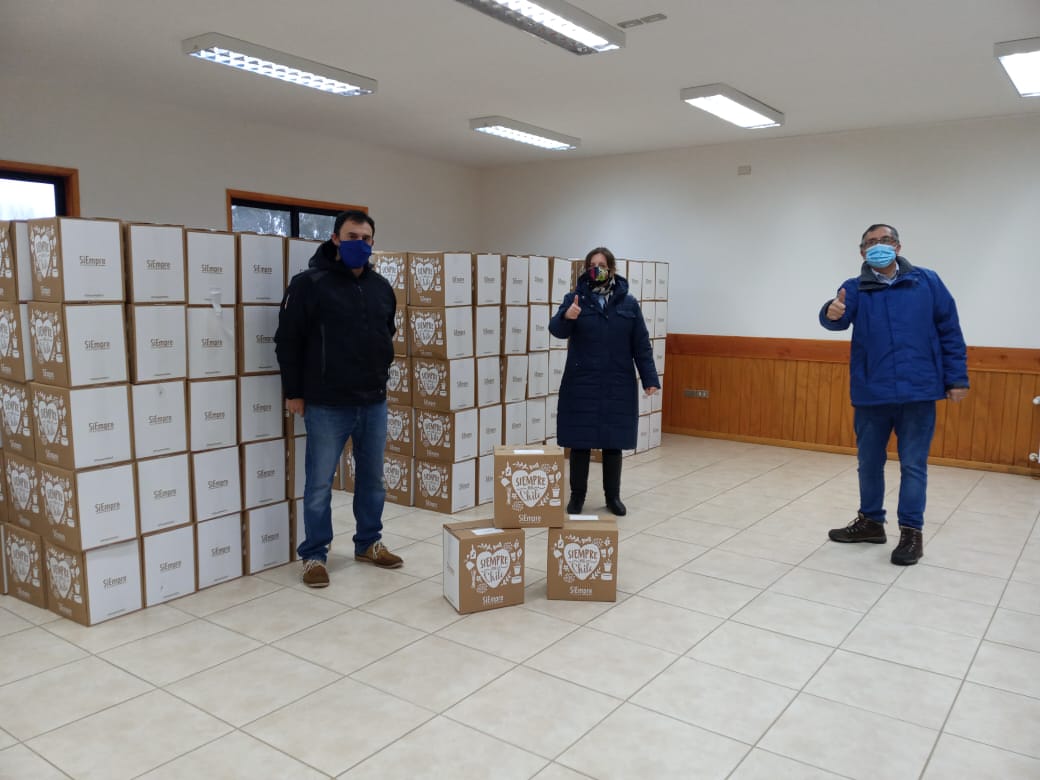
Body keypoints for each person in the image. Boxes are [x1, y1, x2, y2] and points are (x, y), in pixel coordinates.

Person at [820, 223, 968, 566]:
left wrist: (957, 378)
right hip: (872, 392)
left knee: (913, 465)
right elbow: (836, 319)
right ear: (862, 252)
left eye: (885, 240)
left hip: (919, 391)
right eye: (871, 242)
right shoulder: (854, 288)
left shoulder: (927, 282)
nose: (879, 246)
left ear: (898, 246)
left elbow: (949, 330)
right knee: (869, 463)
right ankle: (871, 523)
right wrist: (830, 311)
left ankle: (911, 533)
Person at [275, 209, 403, 588]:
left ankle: (368, 542)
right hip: (327, 403)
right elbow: (288, 342)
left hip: (373, 402)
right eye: (351, 237)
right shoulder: (309, 284)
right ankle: (314, 554)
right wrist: (294, 392)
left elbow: (386, 334)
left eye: (365, 239)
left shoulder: (381, 288)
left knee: (373, 480)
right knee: (319, 484)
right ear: (335, 239)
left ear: (373, 242)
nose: (358, 244)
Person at [549, 247, 660, 517]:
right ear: (586, 269)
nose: (596, 269)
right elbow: (557, 330)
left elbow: (641, 344)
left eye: (601, 264)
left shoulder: (628, 304)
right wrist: (566, 316)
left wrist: (649, 378)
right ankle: (577, 497)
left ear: (611, 268)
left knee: (613, 442)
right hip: (582, 382)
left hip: (616, 382)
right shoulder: (575, 299)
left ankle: (613, 497)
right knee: (580, 441)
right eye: (592, 265)